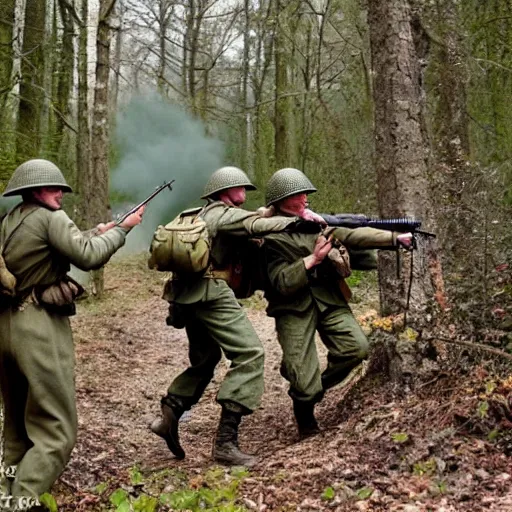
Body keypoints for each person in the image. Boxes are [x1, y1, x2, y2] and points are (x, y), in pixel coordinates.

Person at [150, 166, 319, 467]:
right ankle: (226, 442)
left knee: (204, 361)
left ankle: (170, 413)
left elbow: (251, 220)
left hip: (186, 296)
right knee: (250, 354)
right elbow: (254, 225)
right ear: (226, 192)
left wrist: (268, 213)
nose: (245, 192)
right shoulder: (222, 214)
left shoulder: (198, 214)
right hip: (211, 293)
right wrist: (296, 220)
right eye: (241, 188)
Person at [0, 159, 143, 506]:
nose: (61, 195)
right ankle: (23, 502)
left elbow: (55, 248)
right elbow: (88, 257)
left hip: (5, 327)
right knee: (57, 431)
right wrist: (122, 230)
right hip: (37, 327)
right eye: (54, 189)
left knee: (17, 426)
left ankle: (5, 493)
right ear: (35, 190)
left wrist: (100, 230)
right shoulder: (51, 218)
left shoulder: (9, 221)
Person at [259, 168, 413, 438]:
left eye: (306, 194)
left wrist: (393, 238)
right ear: (283, 200)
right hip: (293, 308)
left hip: (329, 300)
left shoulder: (316, 222)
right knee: (305, 388)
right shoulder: (269, 236)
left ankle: (308, 385)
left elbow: (351, 234)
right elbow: (280, 280)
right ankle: (304, 410)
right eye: (300, 195)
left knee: (356, 349)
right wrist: (313, 260)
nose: (306, 198)